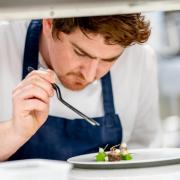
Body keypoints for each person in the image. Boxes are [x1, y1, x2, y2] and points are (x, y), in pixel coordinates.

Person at [0, 14, 162, 161]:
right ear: (49, 23)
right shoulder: (5, 43)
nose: (90, 76)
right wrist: (15, 131)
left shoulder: (139, 59)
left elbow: (146, 153)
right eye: (80, 53)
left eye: (109, 60)